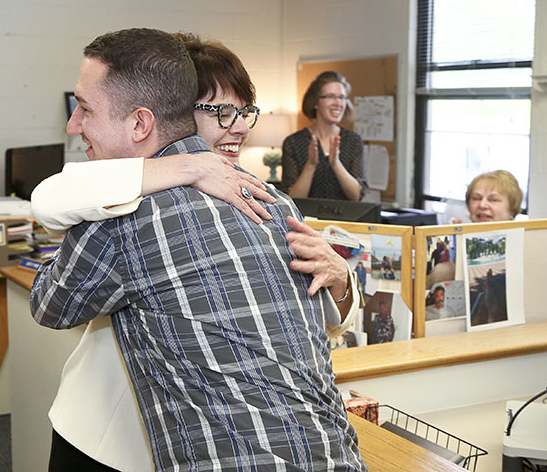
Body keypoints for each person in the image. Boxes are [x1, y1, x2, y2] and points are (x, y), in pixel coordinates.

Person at [30, 28, 364, 471]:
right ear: (177, 113)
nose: (240, 126)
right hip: (112, 435)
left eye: (245, 111)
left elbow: (303, 323)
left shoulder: (262, 198)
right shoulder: (127, 202)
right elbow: (51, 199)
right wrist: (184, 165)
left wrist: (341, 281)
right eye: (223, 112)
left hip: (212, 440)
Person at [281, 71, 368, 200]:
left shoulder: (353, 140)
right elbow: (293, 199)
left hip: (343, 219)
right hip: (305, 220)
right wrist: (310, 165)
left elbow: (357, 196)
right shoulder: (293, 142)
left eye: (342, 97)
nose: (338, 103)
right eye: (331, 96)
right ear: (315, 102)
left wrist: (336, 164)